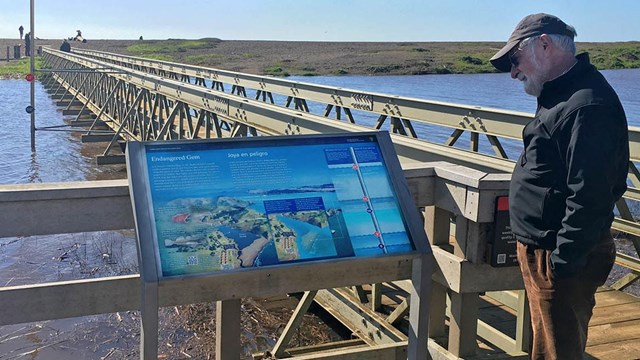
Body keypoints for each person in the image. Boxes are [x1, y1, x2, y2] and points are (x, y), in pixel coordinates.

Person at [490, 13, 629, 359]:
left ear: (545, 44)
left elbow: (591, 195)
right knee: (546, 346)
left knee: (558, 352)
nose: (513, 71)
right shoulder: (563, 94)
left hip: (559, 255)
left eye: (515, 59)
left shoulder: (587, 106)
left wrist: (562, 264)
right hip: (547, 251)